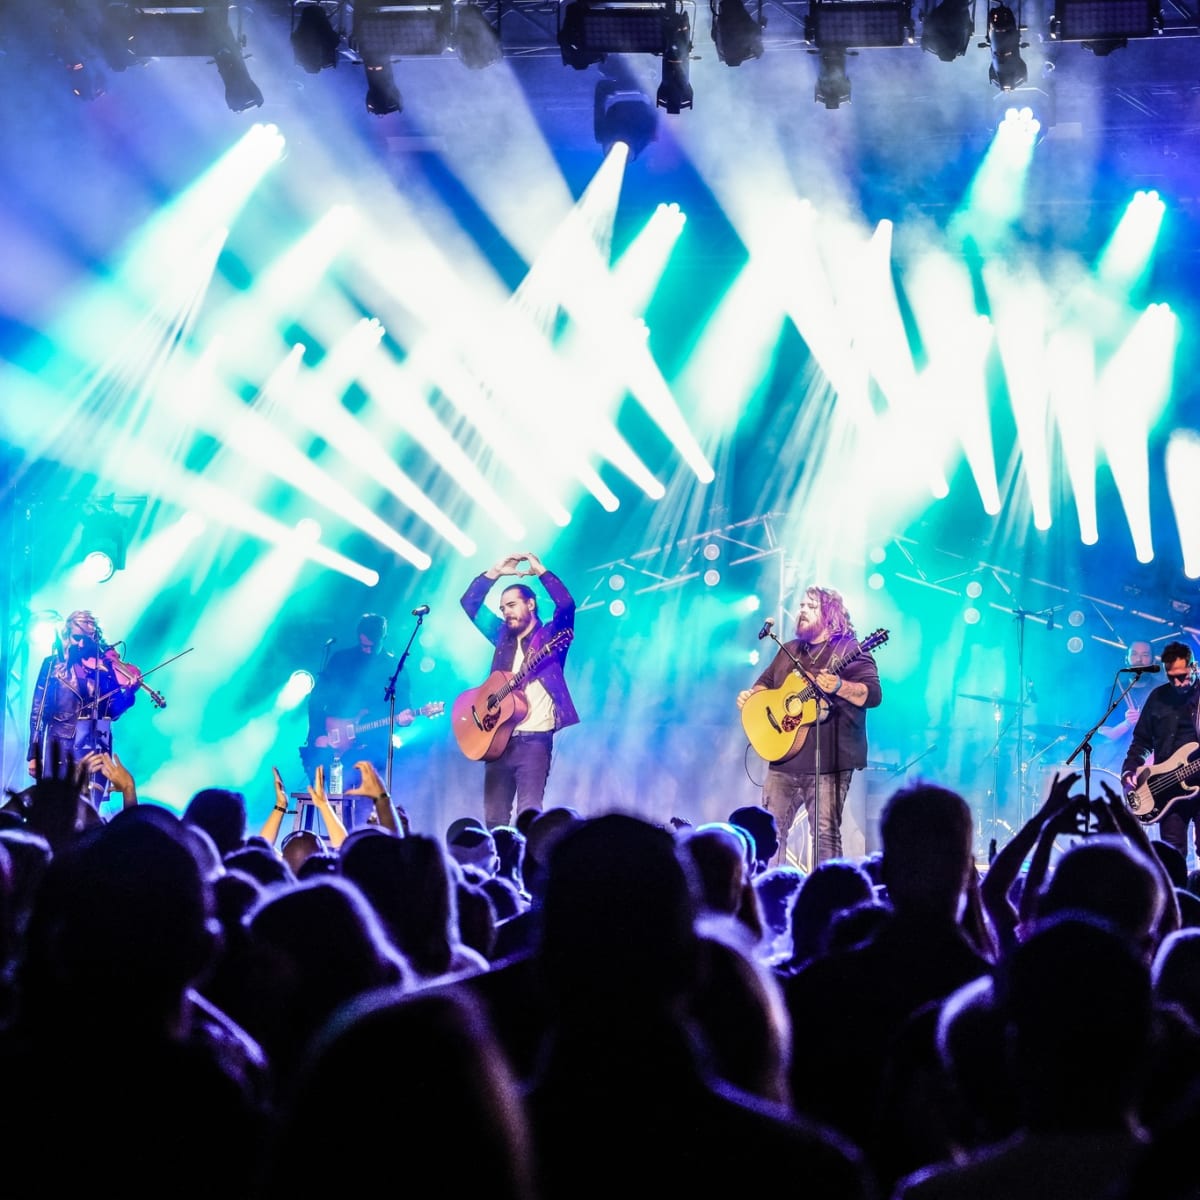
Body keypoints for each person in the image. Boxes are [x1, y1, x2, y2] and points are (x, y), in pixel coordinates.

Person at [736, 586, 882, 866]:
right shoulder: (790, 649)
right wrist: (753, 698)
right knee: (769, 834)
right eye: (801, 605)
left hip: (828, 762)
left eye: (811, 606)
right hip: (783, 758)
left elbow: (873, 694)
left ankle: (825, 890)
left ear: (830, 615)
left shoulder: (850, 650)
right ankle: (770, 887)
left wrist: (840, 686)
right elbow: (765, 682)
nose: (802, 610)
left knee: (825, 835)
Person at [459, 552, 578, 829]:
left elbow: (566, 605)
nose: (506, 612)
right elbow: (470, 603)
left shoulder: (550, 636)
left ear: (531, 604)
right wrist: (494, 572)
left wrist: (542, 572)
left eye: (511, 605)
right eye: (503, 609)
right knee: (494, 821)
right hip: (497, 741)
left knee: (529, 819)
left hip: (534, 741)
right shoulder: (502, 636)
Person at [302, 613, 417, 823]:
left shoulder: (394, 667)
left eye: (372, 646)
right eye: (364, 645)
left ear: (383, 637)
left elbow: (404, 707)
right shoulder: (341, 660)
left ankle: (364, 838)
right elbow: (317, 699)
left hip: (374, 744)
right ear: (358, 636)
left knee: (367, 803)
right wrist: (318, 733)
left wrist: (405, 719)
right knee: (340, 799)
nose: (367, 650)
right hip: (339, 741)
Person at [26, 609, 141, 811]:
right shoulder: (52, 665)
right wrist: (34, 754)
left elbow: (113, 713)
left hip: (95, 747)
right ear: (67, 635)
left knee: (89, 811)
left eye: (85, 640)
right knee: (56, 808)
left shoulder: (105, 668)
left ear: (94, 638)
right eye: (76, 638)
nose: (80, 644)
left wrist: (130, 694)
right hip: (60, 746)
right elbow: (39, 710)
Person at [1122, 640, 1200, 864]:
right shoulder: (1158, 697)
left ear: (1194, 667)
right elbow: (1142, 740)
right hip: (1168, 788)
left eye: (1183, 676)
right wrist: (1130, 769)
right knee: (1172, 854)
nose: (1178, 682)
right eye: (1172, 677)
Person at [1093, 639, 1156, 774]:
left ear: (1153, 661)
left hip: (1155, 767)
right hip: (1117, 766)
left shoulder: (1163, 690)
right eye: (1134, 654)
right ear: (1126, 659)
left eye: (1145, 655)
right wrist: (1127, 723)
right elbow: (1103, 736)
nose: (1139, 660)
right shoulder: (1113, 692)